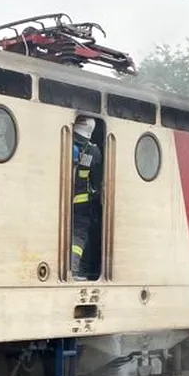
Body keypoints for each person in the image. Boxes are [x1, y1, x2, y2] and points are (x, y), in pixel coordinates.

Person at [70, 115, 102, 280]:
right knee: (80, 236)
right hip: (82, 205)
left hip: (63, 201)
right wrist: (95, 193)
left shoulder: (66, 141)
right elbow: (96, 181)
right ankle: (74, 270)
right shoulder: (93, 151)